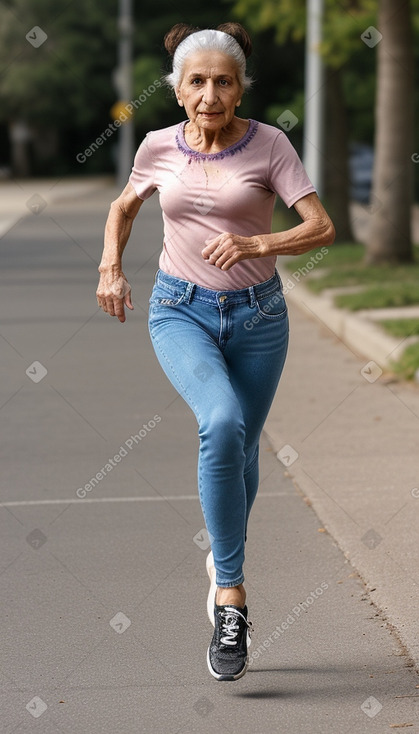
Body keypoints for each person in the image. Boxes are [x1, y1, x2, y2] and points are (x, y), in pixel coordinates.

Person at [96, 21, 335, 682]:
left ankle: (221, 556)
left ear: (239, 88)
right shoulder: (156, 147)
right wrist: (110, 268)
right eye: (195, 81)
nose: (209, 93)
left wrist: (259, 244)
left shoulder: (270, 145)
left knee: (243, 447)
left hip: (259, 318)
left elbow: (320, 226)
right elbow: (123, 207)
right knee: (221, 423)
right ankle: (230, 593)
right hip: (180, 311)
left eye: (221, 81)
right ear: (176, 90)